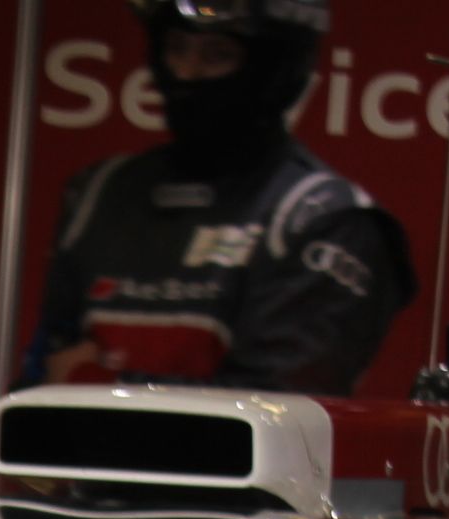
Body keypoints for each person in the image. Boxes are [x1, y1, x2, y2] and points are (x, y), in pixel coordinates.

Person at [21, 0, 415, 394]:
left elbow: (277, 409)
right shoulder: (100, 193)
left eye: (218, 55)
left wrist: (103, 385)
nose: (186, 73)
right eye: (176, 49)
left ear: (275, 68)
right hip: (74, 437)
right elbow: (43, 377)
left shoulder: (326, 219)